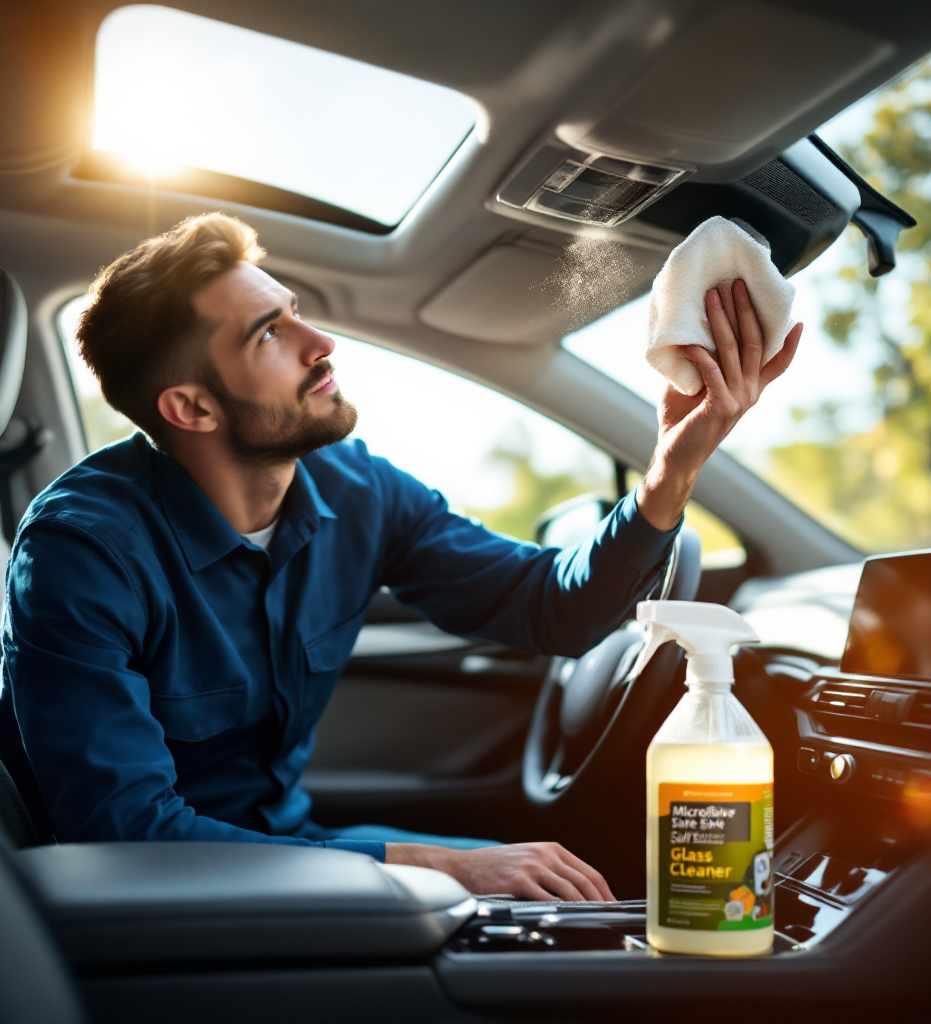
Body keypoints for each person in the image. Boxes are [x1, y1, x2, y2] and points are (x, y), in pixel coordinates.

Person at [0, 214, 800, 901]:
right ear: (192, 406)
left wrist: (671, 469)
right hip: (150, 896)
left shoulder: (359, 489)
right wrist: (440, 865)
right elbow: (125, 833)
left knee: (562, 901)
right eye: (270, 333)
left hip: (289, 845)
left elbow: (549, 607)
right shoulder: (81, 550)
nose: (321, 344)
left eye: (295, 312)